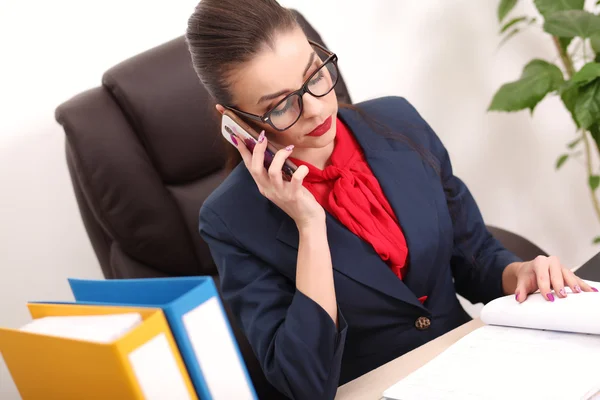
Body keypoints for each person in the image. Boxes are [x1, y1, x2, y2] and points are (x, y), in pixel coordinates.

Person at [186, 1, 598, 399]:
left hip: (475, 365)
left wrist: (519, 273)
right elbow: (304, 381)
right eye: (280, 106)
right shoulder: (230, 219)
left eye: (314, 76)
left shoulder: (398, 122)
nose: (314, 108)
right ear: (237, 121)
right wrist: (309, 227)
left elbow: (474, 254)